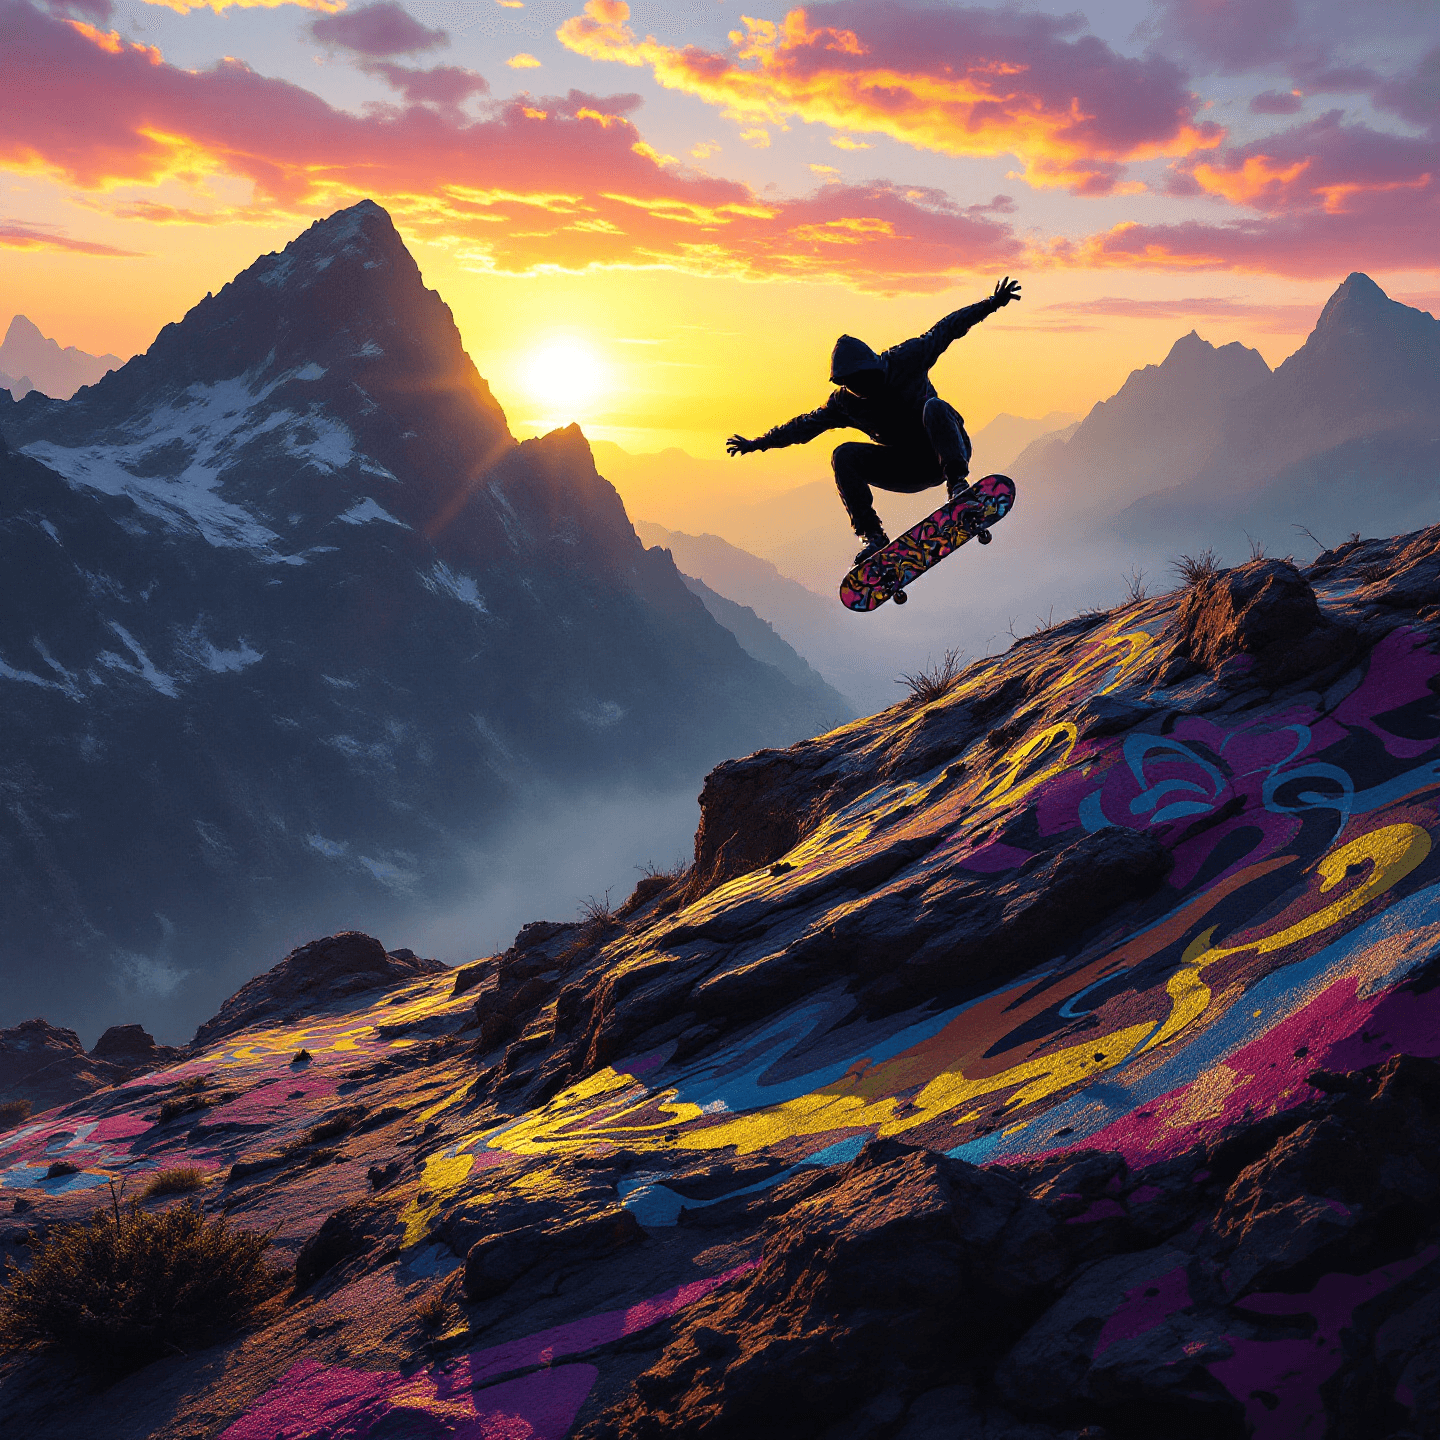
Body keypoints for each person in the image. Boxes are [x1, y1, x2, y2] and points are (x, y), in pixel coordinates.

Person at [727, 277, 1022, 564]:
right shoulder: (844, 403)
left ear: (872, 368)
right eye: (849, 384)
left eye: (859, 381)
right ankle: (873, 536)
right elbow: (803, 426)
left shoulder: (907, 358)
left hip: (945, 449)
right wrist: (758, 443)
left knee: (933, 407)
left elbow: (948, 328)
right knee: (843, 455)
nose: (857, 389)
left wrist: (993, 303)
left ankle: (959, 486)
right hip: (907, 468)